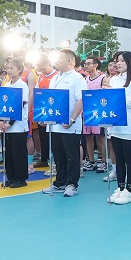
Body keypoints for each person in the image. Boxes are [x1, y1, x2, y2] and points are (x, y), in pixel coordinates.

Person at [42, 48, 86, 197]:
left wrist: (72, 119)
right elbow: (50, 99)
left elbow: (81, 99)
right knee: (59, 156)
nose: (56, 61)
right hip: (55, 124)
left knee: (71, 155)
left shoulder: (77, 78)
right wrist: (46, 117)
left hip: (69, 125)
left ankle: (72, 184)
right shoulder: (54, 78)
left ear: (70, 61)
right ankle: (60, 182)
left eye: (59, 58)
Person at [107, 51, 131, 204]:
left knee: (129, 159)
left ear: (129, 62)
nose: (118, 63)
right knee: (119, 158)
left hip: (129, 125)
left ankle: (129, 190)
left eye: (122, 60)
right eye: (117, 61)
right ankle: (120, 187)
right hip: (115, 124)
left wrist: (114, 96)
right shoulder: (113, 80)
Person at [0, 59, 30, 188]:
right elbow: (1, 105)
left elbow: (19, 106)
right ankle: (11, 177)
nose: (9, 70)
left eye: (12, 68)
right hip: (6, 125)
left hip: (18, 125)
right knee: (8, 152)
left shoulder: (22, 86)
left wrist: (10, 123)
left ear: (19, 70)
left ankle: (20, 178)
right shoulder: (6, 85)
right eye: (8, 68)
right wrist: (1, 120)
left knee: (18, 153)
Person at [82, 57, 107, 173]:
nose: (86, 66)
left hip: (99, 111)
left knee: (101, 137)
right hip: (87, 111)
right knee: (88, 137)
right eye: (85, 63)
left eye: (88, 63)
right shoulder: (85, 79)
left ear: (95, 65)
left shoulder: (102, 78)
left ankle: (103, 161)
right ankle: (91, 161)